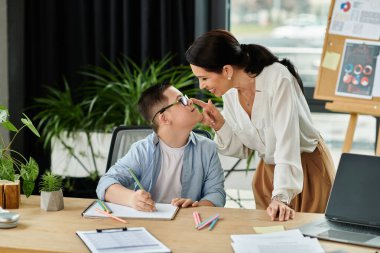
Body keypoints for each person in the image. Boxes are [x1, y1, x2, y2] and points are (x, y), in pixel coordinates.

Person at [186, 29, 335, 221]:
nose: (201, 86)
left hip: (306, 169)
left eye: (204, 78)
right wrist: (219, 124)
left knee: (309, 240)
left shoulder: (277, 78)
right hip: (268, 174)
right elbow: (242, 150)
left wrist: (281, 196)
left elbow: (287, 141)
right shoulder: (230, 93)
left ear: (227, 70)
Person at [96, 82, 226, 211]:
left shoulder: (207, 149)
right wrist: (131, 199)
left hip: (189, 223)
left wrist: (195, 207)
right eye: (181, 100)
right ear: (164, 118)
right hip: (149, 222)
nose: (190, 101)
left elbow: (216, 194)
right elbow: (105, 183)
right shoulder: (142, 151)